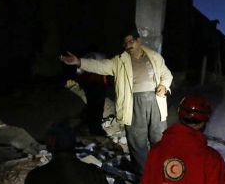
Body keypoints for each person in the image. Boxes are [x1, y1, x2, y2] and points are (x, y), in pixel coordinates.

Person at [60, 29, 173, 176]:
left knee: (158, 137)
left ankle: (161, 170)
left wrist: (164, 85)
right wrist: (79, 62)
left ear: (139, 41)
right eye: (125, 43)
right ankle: (143, 172)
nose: (128, 45)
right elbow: (100, 66)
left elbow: (167, 74)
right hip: (132, 103)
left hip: (155, 101)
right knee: (136, 140)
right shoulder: (119, 61)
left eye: (131, 41)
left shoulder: (155, 57)